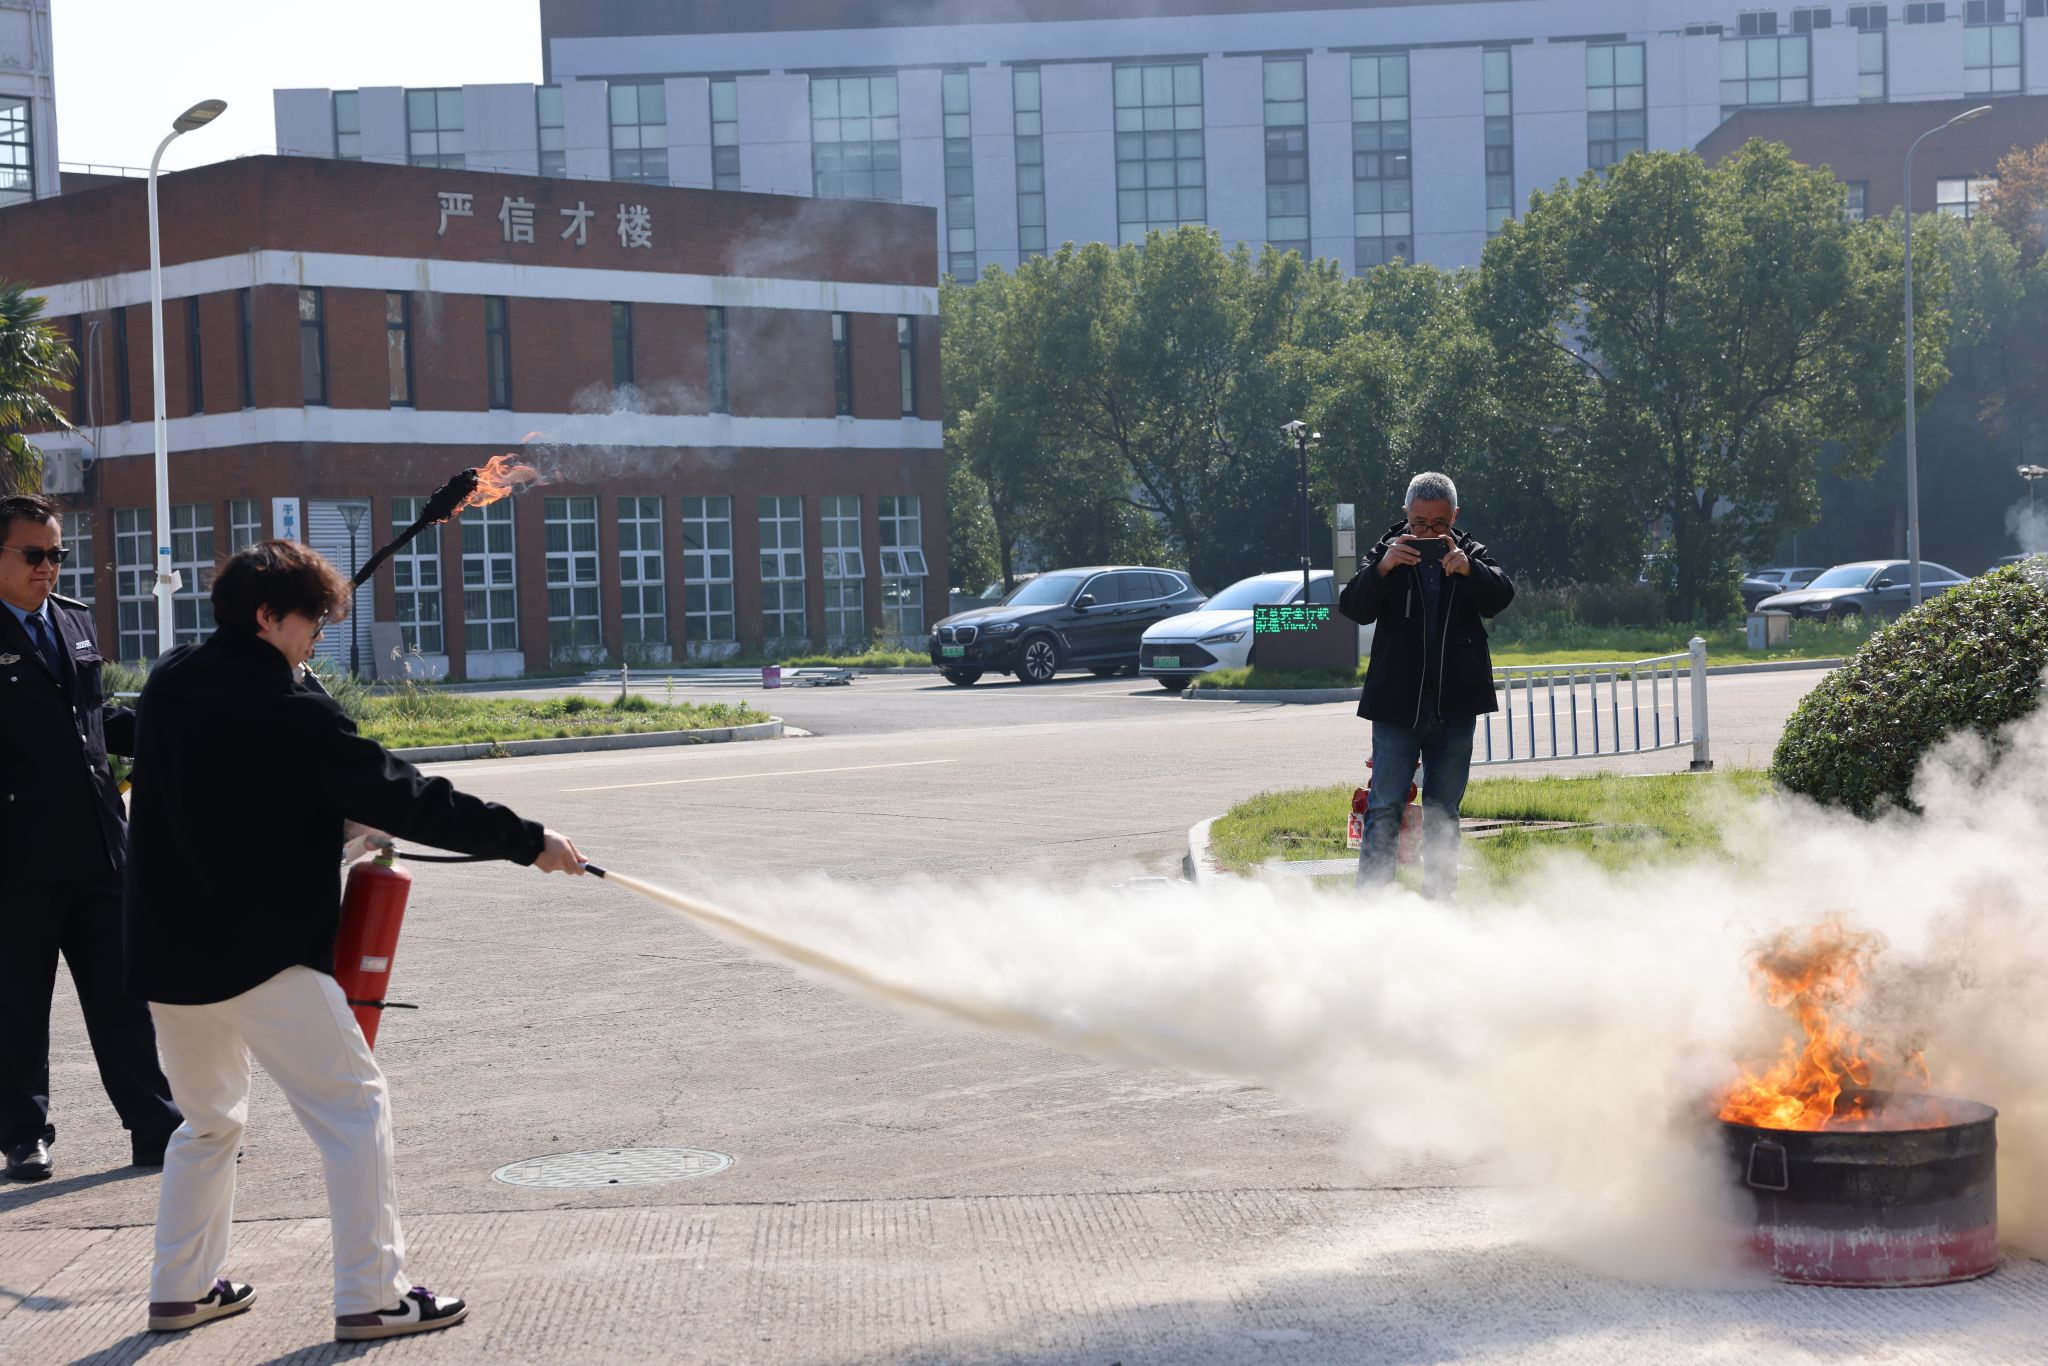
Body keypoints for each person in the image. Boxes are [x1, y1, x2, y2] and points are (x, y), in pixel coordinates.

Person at [125, 539, 588, 1342]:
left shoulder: (171, 680)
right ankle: (374, 1295)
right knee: (354, 1110)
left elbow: (237, 792)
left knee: (208, 1123)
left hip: (169, 956)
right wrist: (528, 839)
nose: (318, 636)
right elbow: (407, 795)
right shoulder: (292, 709)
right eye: (311, 620)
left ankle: (182, 1288)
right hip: (263, 957)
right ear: (268, 616)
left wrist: (332, 818)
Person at [0, 493, 180, 1182]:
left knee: (123, 999)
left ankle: (155, 1125)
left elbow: (96, 717)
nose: (48, 567)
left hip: (100, 847)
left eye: (57, 555)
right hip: (16, 859)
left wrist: (176, 729)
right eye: (33, 554)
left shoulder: (72, 619)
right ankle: (23, 1135)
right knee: (17, 1005)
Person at [1337, 472, 1515, 900]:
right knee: (1384, 805)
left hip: (1455, 706)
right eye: (1419, 523)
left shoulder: (1469, 551)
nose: (1429, 533)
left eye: (1439, 524)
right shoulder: (1387, 550)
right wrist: (1383, 568)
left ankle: (1439, 904)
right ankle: (1371, 905)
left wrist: (1469, 570)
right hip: (1397, 706)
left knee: (1443, 811)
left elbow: (1500, 597)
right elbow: (1353, 607)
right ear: (1405, 514)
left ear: (1455, 516)